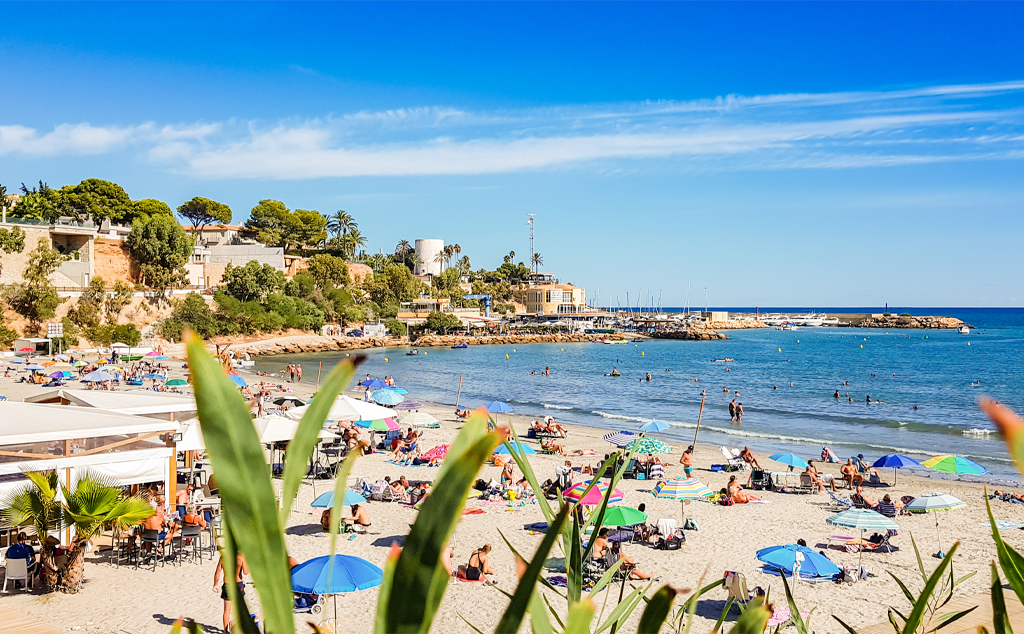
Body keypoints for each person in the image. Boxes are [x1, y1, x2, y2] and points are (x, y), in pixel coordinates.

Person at [213, 553, 249, 632]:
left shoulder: (223, 557)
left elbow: (218, 572)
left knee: (227, 610)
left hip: (228, 585)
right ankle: (236, 626)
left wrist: (215, 584)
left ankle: (225, 631)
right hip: (238, 585)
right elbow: (246, 572)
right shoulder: (241, 557)